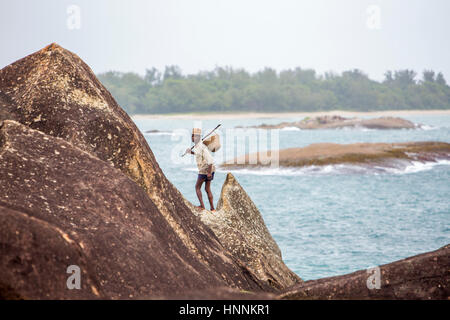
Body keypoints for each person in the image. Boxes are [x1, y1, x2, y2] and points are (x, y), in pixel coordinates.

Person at [186, 128, 216, 212]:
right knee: (207, 188)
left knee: (197, 187)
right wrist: (191, 152)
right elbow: (198, 154)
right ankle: (212, 208)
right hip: (210, 169)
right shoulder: (197, 146)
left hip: (206, 169)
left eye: (194, 136)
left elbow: (210, 160)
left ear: (198, 137)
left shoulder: (202, 147)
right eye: (192, 136)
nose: (192, 138)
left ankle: (202, 206)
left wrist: (209, 173)